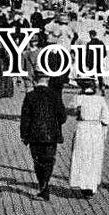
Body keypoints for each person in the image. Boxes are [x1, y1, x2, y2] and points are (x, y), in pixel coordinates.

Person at [20, 72, 68, 201]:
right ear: (48, 80)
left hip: (34, 135)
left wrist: (24, 135)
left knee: (38, 161)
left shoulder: (30, 96)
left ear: (35, 81)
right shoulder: (55, 95)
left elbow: (25, 117)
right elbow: (62, 117)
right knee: (48, 160)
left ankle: (42, 185)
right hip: (51, 135)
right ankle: (45, 184)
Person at [67, 78, 109, 196]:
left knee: (82, 156)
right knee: (94, 157)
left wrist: (77, 112)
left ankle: (82, 184)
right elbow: (106, 118)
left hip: (83, 128)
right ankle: (92, 185)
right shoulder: (100, 99)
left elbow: (69, 110)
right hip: (96, 128)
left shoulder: (78, 98)